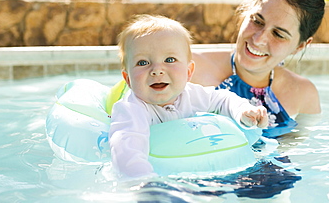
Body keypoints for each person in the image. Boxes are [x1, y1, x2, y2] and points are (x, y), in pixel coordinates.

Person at [109, 14, 268, 178]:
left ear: (189, 72)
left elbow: (222, 99)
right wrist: (144, 183)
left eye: (169, 59)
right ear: (128, 79)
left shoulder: (192, 94)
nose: (157, 70)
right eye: (142, 62)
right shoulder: (130, 109)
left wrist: (243, 111)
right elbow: (126, 150)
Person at [191, 0, 326, 140]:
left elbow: (298, 153)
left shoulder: (304, 94)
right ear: (245, 15)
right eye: (257, 21)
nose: (259, 39)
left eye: (278, 34)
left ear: (299, 46)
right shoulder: (190, 68)